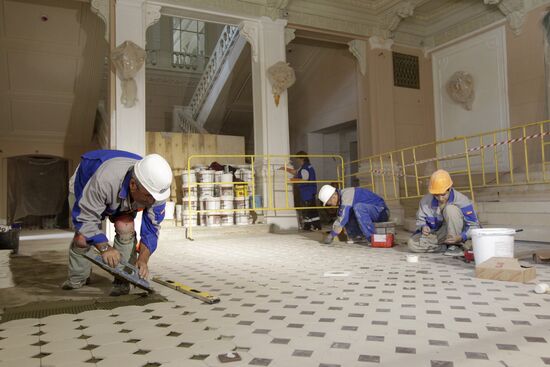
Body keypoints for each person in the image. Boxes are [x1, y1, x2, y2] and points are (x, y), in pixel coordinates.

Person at [62, 150, 173, 296]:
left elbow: (151, 230)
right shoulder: (105, 180)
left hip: (121, 190)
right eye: (148, 197)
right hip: (86, 184)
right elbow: (85, 218)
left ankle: (123, 279)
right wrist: (104, 248)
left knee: (125, 226)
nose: (151, 202)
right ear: (133, 184)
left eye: (155, 198)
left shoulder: (156, 191)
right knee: (82, 238)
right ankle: (77, 278)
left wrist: (143, 259)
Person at [407, 169, 480, 256]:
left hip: (459, 234)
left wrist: (461, 237)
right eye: (436, 195)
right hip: (441, 233)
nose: (440, 198)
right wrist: (423, 226)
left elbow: (474, 226)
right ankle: (446, 247)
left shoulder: (462, 201)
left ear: (449, 189)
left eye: (443, 194)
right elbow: (420, 220)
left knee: (450, 209)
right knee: (412, 244)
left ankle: (455, 245)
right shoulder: (425, 201)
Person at [318, 185, 389, 245]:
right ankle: (357, 236)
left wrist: (332, 234)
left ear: (334, 196)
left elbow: (343, 217)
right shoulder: (343, 198)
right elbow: (341, 216)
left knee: (357, 208)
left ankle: (373, 238)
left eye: (329, 203)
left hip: (381, 211)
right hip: (373, 212)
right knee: (349, 210)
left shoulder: (347, 195)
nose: (330, 205)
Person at [281, 151, 321, 231]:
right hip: (310, 190)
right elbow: (296, 172)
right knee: (312, 209)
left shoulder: (305, 168)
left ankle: (308, 226)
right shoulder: (307, 166)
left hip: (307, 191)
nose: (297, 160)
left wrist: (292, 180)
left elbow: (305, 179)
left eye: (297, 158)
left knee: (307, 210)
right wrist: (285, 169)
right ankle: (316, 226)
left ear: (301, 158)